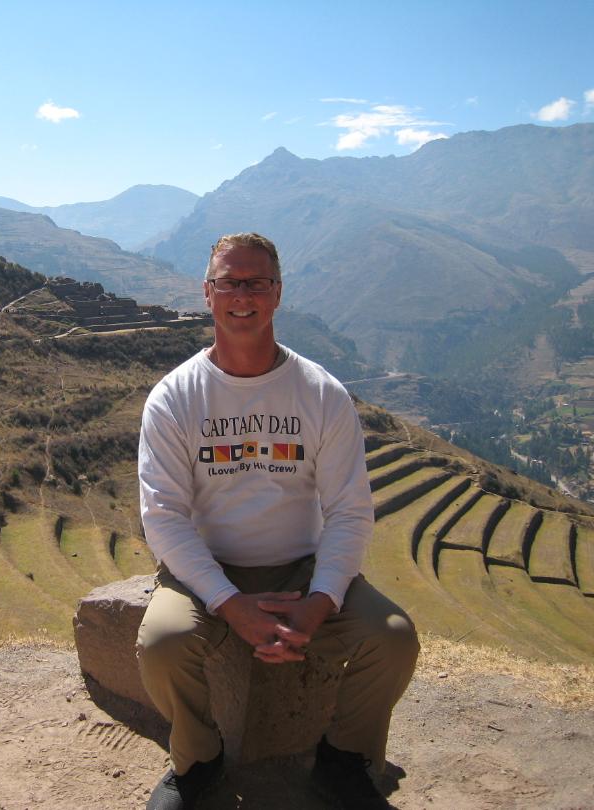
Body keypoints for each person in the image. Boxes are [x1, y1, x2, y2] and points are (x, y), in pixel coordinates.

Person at [136, 233, 419, 810]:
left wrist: (319, 601)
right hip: (207, 572)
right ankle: (197, 762)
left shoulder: (321, 394)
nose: (243, 295)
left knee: (391, 638)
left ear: (278, 294)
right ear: (208, 293)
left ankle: (344, 762)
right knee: (163, 643)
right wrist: (226, 602)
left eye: (256, 282)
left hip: (302, 567)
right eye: (229, 282)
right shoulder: (174, 398)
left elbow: (349, 510)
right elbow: (163, 516)